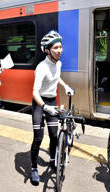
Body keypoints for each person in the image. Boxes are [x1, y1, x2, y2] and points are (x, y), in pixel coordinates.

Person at [30, 30, 74, 186]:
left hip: (52, 100)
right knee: (38, 138)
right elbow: (34, 92)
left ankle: (53, 160)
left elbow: (57, 77)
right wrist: (44, 107)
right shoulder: (41, 67)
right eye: (56, 48)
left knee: (54, 136)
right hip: (39, 103)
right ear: (47, 50)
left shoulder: (58, 63)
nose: (60, 50)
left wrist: (65, 86)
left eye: (61, 47)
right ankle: (34, 168)